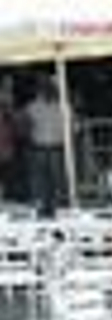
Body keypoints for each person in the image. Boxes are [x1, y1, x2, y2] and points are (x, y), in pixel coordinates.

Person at [25, 77, 66, 217]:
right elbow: (25, 126)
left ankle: (50, 207)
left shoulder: (62, 106)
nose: (49, 91)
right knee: (44, 180)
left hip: (51, 148)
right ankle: (45, 207)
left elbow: (72, 127)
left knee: (51, 180)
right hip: (42, 148)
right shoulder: (33, 106)